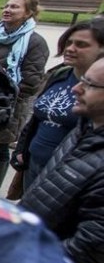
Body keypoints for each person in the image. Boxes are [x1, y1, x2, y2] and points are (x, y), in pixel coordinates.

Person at [22, 56, 104, 263]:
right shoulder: (86, 127)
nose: (76, 88)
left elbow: (90, 247)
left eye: (90, 85)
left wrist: (25, 259)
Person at [13, 18, 104, 190]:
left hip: (70, 176)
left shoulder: (99, 91)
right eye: (69, 42)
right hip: (33, 164)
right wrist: (22, 150)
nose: (70, 48)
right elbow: (38, 117)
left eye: (81, 44)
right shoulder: (59, 75)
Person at [0, 0, 50, 192]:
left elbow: (32, 81)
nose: (7, 10)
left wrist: (2, 94)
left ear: (29, 13)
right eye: (6, 6)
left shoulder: (35, 42)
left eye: (15, 7)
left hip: (9, 106)